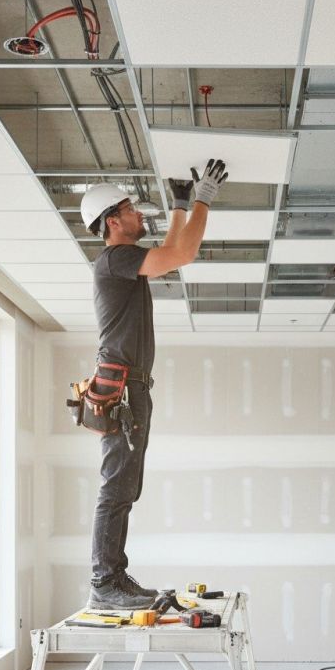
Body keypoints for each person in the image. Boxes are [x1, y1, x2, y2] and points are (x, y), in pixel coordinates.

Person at [79, 159, 228, 611]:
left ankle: (113, 576)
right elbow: (180, 255)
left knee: (125, 486)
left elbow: (170, 248)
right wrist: (203, 198)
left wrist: (181, 205)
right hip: (123, 390)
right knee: (117, 486)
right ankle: (105, 582)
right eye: (131, 209)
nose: (140, 215)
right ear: (112, 221)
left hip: (129, 388)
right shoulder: (115, 258)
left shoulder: (124, 262)